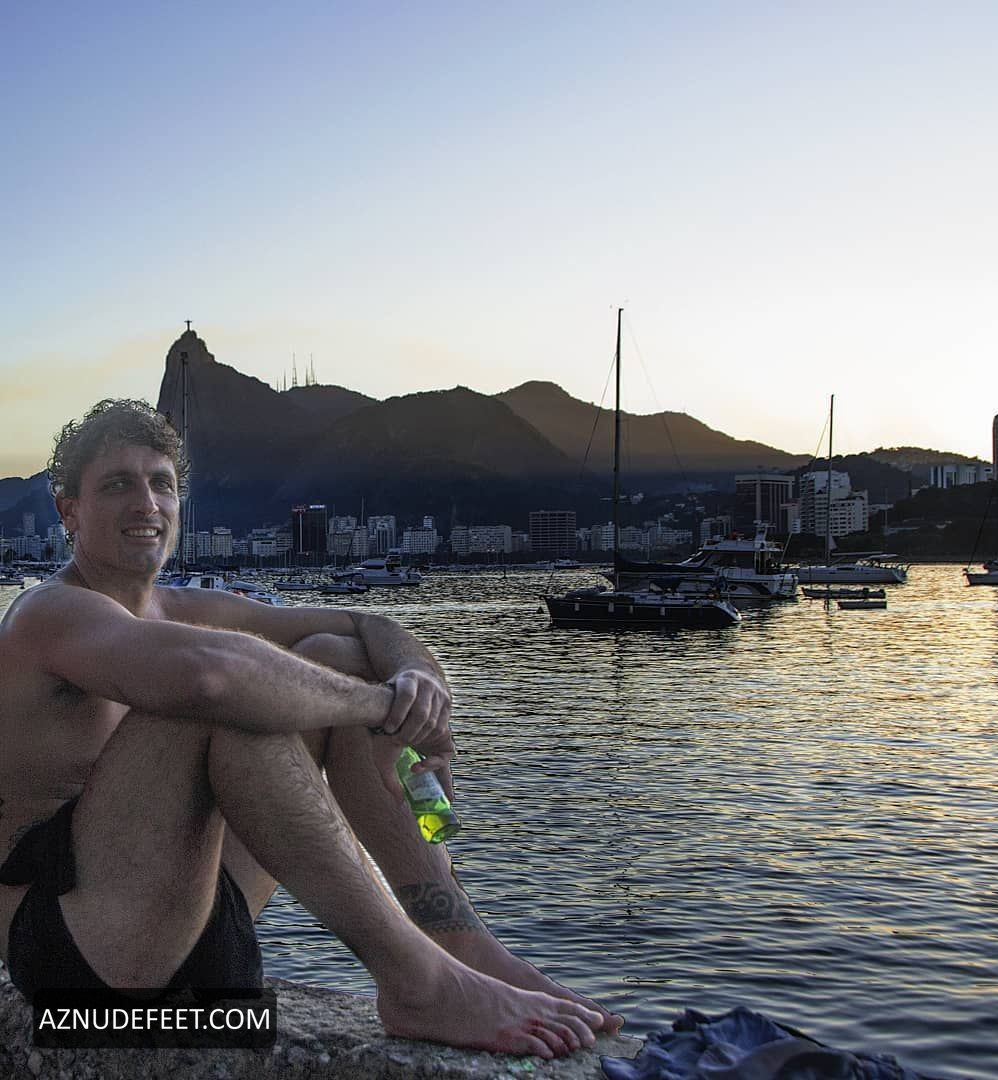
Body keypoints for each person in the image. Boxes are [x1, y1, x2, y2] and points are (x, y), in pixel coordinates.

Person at [0, 399, 620, 1059]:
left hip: (199, 921)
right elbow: (211, 679)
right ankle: (418, 982)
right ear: (69, 511)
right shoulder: (50, 613)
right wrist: (378, 708)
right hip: (76, 958)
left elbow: (368, 627)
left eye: (162, 483)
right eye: (118, 484)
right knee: (236, 701)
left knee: (335, 656)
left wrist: (418, 684)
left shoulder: (179, 607)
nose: (146, 502)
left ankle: (464, 947)